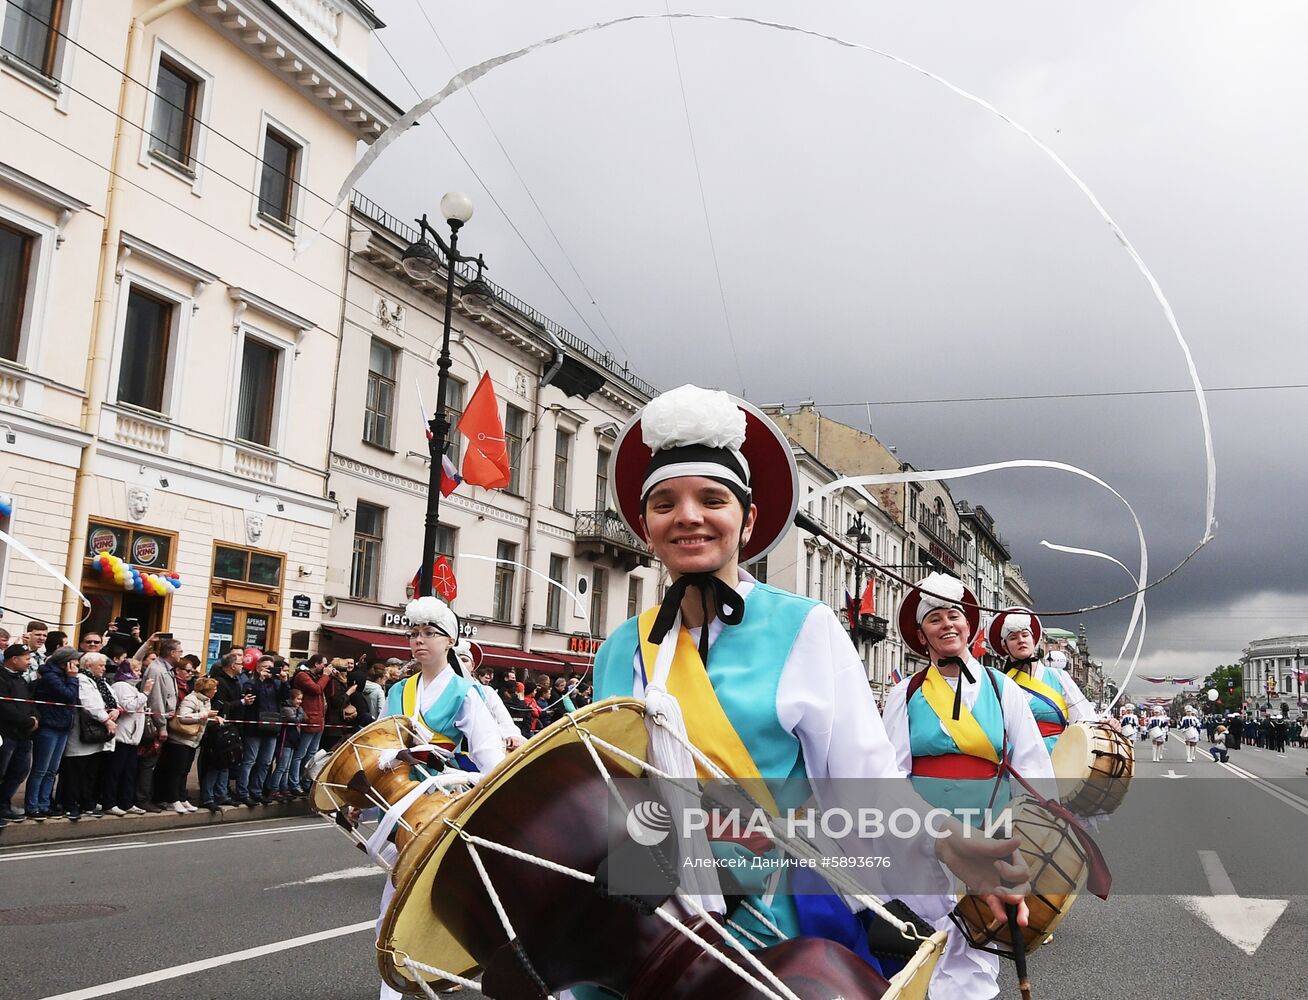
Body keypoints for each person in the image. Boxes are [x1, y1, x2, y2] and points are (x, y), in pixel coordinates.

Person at [590, 385, 1030, 998]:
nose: (687, 515)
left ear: (746, 521)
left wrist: (959, 853)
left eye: (711, 499)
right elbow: (609, 792)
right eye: (665, 503)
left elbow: (865, 784)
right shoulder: (617, 650)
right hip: (652, 915)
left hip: (774, 917)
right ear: (645, 526)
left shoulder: (806, 628)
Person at [883, 573, 1055, 1000]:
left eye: (954, 615)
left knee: (978, 935)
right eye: (935, 618)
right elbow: (888, 771)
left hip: (988, 829)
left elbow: (1032, 763)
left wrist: (1034, 833)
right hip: (923, 831)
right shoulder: (905, 693)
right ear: (922, 634)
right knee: (925, 934)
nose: (947, 625)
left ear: (969, 625)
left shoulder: (1003, 689)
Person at [374, 596, 505, 1000]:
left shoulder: (466, 692)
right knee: (394, 895)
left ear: (449, 641)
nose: (419, 641)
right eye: (413, 633)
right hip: (403, 805)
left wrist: (452, 773)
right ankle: (393, 983)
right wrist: (391, 755)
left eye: (429, 634)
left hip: (446, 804)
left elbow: (492, 760)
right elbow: (374, 746)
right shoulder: (397, 690)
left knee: (460, 899)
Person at [987, 607, 1099, 755]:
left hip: (1057, 757)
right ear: (1004, 646)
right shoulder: (999, 683)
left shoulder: (1058, 677)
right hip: (1017, 760)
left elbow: (1085, 719)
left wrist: (1106, 726)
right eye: (1013, 637)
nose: (1021, 640)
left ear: (1033, 640)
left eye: (1025, 635)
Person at [61, 651, 119, 820]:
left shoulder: (101, 681)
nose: (103, 668)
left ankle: (87, 803)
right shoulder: (81, 679)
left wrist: (115, 709)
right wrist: (106, 720)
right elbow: (89, 704)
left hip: (97, 737)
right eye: (100, 665)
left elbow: (113, 699)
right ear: (88, 666)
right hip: (82, 733)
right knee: (75, 773)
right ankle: (70, 805)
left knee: (90, 773)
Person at [24, 648, 80, 821]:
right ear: (66, 662)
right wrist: (72, 679)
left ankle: (44, 804)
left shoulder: (63, 676)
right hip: (49, 725)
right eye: (75, 661)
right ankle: (32, 806)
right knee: (40, 768)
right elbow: (69, 696)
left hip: (62, 725)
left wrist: (71, 679)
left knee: (52, 770)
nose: (77, 665)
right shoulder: (50, 676)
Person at [159, 675, 218, 813]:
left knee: (184, 771)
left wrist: (212, 718)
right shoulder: (191, 699)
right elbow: (184, 717)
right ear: (206, 690)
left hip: (192, 740)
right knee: (177, 771)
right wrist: (205, 715)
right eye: (213, 689)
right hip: (181, 740)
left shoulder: (206, 701)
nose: (215, 691)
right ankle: (173, 799)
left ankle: (182, 797)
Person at [455, 639, 523, 750]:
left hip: (483, 748)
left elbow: (503, 716)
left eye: (464, 660)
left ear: (472, 665)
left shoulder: (486, 692)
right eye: (455, 660)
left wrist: (511, 735)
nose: (459, 663)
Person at [107, 660, 153, 815]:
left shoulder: (132, 687)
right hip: (122, 735)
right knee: (115, 772)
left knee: (129, 772)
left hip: (133, 737)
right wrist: (145, 693)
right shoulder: (120, 686)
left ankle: (127, 802)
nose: (139, 673)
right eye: (136, 670)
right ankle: (110, 802)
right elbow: (129, 707)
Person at [0, 644, 38, 825]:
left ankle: (4, 804)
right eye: (26, 658)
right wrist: (26, 721)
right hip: (6, 734)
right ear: (14, 659)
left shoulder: (21, 679)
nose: (29, 662)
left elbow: (29, 702)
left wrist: (34, 718)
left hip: (23, 736)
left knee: (19, 771)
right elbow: (5, 707)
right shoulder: (2, 677)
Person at [290, 655, 334, 794]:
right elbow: (316, 689)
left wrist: (330, 677)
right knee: (300, 754)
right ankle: (294, 783)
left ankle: (307, 782)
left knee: (312, 755)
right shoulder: (303, 676)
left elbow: (329, 692)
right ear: (316, 664)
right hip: (309, 720)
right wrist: (326, 676)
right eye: (324, 664)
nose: (325, 668)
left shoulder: (319, 677)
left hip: (319, 720)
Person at [268, 688, 305, 800]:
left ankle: (283, 788)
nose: (300, 702)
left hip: (293, 740)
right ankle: (273, 789)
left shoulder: (296, 709)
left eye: (301, 699)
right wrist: (300, 713)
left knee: (287, 767)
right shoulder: (286, 709)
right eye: (298, 699)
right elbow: (295, 720)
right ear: (292, 698)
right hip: (286, 740)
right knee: (281, 766)